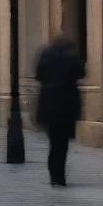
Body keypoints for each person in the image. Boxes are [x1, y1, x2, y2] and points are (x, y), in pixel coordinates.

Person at [35, 34, 85, 186]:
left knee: (53, 143)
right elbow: (81, 73)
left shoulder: (46, 55)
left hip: (49, 106)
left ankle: (54, 176)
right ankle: (60, 176)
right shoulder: (72, 57)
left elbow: (39, 75)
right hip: (66, 106)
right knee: (62, 145)